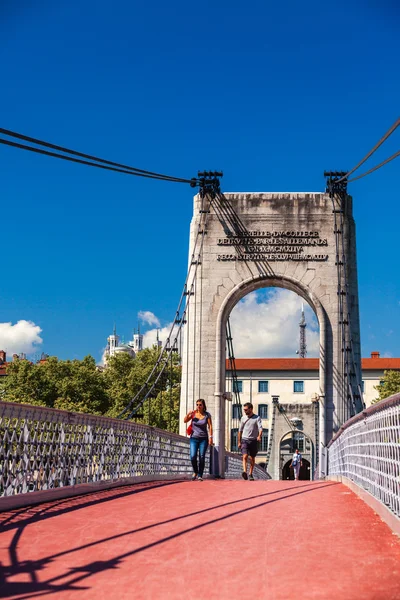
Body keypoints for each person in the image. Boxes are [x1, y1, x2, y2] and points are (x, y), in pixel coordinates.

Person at [183, 399, 213, 481]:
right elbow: (185, 421)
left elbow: (210, 426)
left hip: (204, 439)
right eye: (197, 404)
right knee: (193, 456)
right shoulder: (194, 414)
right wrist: (189, 414)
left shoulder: (207, 415)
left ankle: (200, 475)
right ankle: (195, 471)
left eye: (200, 405)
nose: (198, 406)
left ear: (203, 406)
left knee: (202, 456)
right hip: (194, 438)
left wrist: (211, 437)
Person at [238, 402, 262, 481]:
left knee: (252, 458)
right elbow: (240, 431)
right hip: (245, 440)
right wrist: (239, 441)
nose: (244, 411)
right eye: (244, 410)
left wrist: (259, 436)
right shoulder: (243, 418)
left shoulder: (257, 418)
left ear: (251, 409)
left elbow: (260, 428)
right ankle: (244, 471)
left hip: (253, 440)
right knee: (244, 456)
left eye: (246, 409)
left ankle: (250, 474)